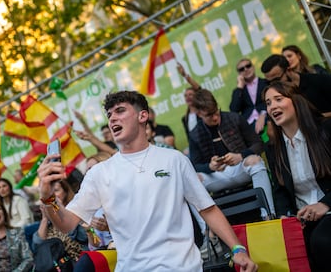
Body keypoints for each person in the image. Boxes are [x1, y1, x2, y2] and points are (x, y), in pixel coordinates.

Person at [38, 90, 258, 271]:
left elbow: (207, 209)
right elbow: (66, 223)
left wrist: (237, 249)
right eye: (109, 114)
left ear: (143, 116)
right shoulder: (99, 173)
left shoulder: (174, 159)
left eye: (120, 111)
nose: (112, 118)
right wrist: (47, 197)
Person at [262, 81, 331, 272]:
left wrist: (325, 204)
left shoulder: (325, 129)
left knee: (320, 241)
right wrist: (284, 216)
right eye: (268, 103)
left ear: (296, 101)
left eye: (278, 99)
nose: (272, 106)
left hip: (329, 208)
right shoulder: (273, 148)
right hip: (302, 217)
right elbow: (280, 189)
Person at [188, 89, 275, 217]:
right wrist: (210, 166)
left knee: (255, 161)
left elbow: (258, 144)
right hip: (216, 176)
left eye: (216, 111)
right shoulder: (195, 134)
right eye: (209, 115)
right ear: (199, 114)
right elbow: (194, 165)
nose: (215, 117)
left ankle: (268, 214)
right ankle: (208, 232)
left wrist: (240, 156)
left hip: (241, 168)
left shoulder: (234, 118)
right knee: (191, 182)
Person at [261, 54, 331, 117]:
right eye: (269, 82)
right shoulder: (279, 94)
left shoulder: (319, 81)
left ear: (288, 70)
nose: (273, 85)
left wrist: (318, 118)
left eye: (277, 79)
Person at [229, 58, 268, 134]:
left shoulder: (265, 82)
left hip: (267, 119)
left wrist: (263, 114)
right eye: (241, 69)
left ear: (253, 67)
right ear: (239, 74)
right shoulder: (238, 91)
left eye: (248, 66)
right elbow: (234, 109)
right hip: (248, 126)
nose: (246, 69)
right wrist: (240, 87)